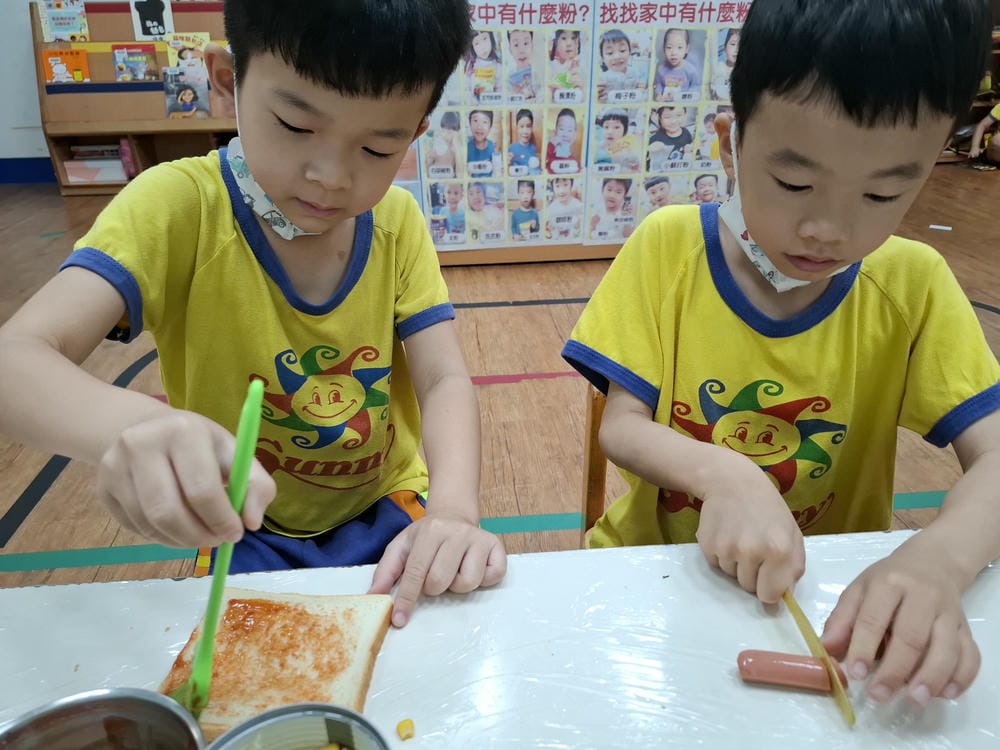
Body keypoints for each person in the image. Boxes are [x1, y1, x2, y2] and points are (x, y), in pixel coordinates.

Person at [0, 0, 507, 629]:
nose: (330, 176)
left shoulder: (397, 223)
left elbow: (442, 377)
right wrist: (125, 425)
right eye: (296, 125)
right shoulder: (178, 207)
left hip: (387, 509)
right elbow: (15, 360)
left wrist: (454, 510)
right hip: (242, 525)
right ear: (225, 79)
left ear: (416, 132)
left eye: (379, 148)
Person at [563, 0, 999, 708]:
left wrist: (942, 559)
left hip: (824, 601)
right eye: (794, 184)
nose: (829, 228)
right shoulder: (668, 248)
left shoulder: (912, 285)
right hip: (653, 576)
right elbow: (621, 426)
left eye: (884, 193)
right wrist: (726, 475)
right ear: (729, 144)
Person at [596, 29, 645, 103]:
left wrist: (641, 91)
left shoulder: (635, 72)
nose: (617, 56)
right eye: (610, 53)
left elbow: (641, 91)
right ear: (603, 58)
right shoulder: (602, 78)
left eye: (622, 50)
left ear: (629, 52)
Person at [654, 28, 701, 102]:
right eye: (669, 47)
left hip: (683, 103)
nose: (674, 53)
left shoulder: (690, 70)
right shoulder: (661, 69)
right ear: (664, 48)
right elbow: (659, 84)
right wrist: (659, 94)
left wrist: (687, 97)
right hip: (666, 102)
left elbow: (695, 86)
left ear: (686, 49)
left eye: (679, 47)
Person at [646, 106, 693, 171]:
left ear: (685, 116)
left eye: (679, 115)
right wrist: (652, 151)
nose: (673, 121)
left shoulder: (686, 132)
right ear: (659, 118)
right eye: (667, 117)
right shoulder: (655, 139)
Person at [464, 30, 501, 103]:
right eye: (476, 43)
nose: (483, 47)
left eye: (485, 39)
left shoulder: (497, 65)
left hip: (492, 105)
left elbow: (500, 87)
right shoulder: (471, 65)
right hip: (474, 105)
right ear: (472, 47)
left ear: (491, 38)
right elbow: (466, 88)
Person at [548, 29, 584, 102]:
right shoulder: (550, 66)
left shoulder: (580, 64)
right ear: (556, 43)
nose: (569, 43)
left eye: (573, 38)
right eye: (564, 38)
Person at [425, 110, 461, 177]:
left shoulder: (460, 151)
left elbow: (460, 176)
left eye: (449, 132)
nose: (445, 136)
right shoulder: (437, 151)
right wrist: (428, 164)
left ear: (458, 132)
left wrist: (457, 151)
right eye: (443, 131)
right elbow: (427, 174)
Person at [709, 28, 740, 101]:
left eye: (741, 45)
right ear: (725, 48)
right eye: (733, 44)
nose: (736, 50)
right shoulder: (718, 68)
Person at [545, 107, 579, 173]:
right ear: (555, 132)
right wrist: (551, 144)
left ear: (574, 136)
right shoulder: (548, 156)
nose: (565, 134)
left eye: (570, 130)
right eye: (561, 129)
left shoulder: (575, 164)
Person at [507, 109, 541, 175]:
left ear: (532, 128)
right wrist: (508, 163)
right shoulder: (512, 148)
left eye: (528, 126)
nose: (525, 131)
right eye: (521, 126)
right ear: (517, 128)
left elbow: (535, 168)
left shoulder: (533, 148)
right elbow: (509, 169)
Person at [467, 109, 499, 177]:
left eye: (484, 122)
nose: (479, 127)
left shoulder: (492, 146)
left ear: (490, 126)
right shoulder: (465, 147)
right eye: (475, 121)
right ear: (470, 123)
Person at [507, 29, 537, 101]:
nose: (521, 51)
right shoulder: (508, 77)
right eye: (516, 45)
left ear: (532, 46)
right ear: (510, 49)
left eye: (525, 43)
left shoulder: (537, 73)